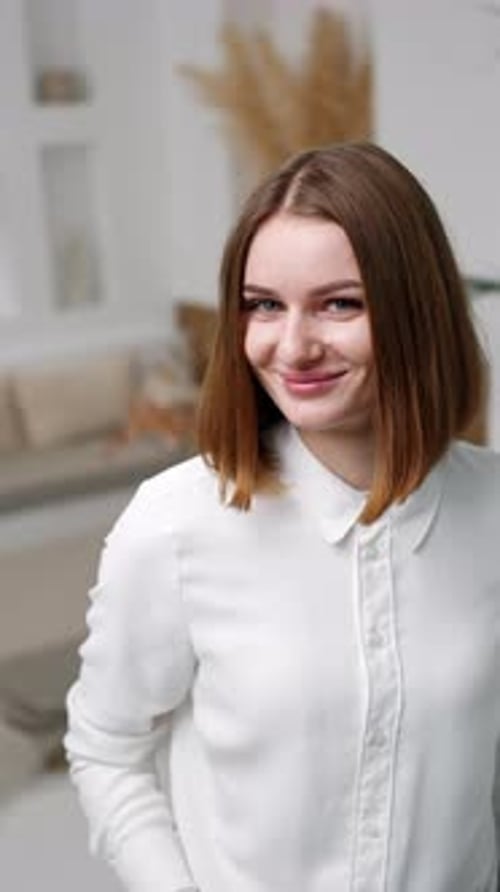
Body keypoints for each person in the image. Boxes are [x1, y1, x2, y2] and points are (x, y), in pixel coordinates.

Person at [64, 142, 500, 892]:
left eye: (340, 303)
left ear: (415, 310)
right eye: (264, 304)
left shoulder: (491, 509)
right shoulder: (174, 528)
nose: (292, 346)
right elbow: (107, 748)